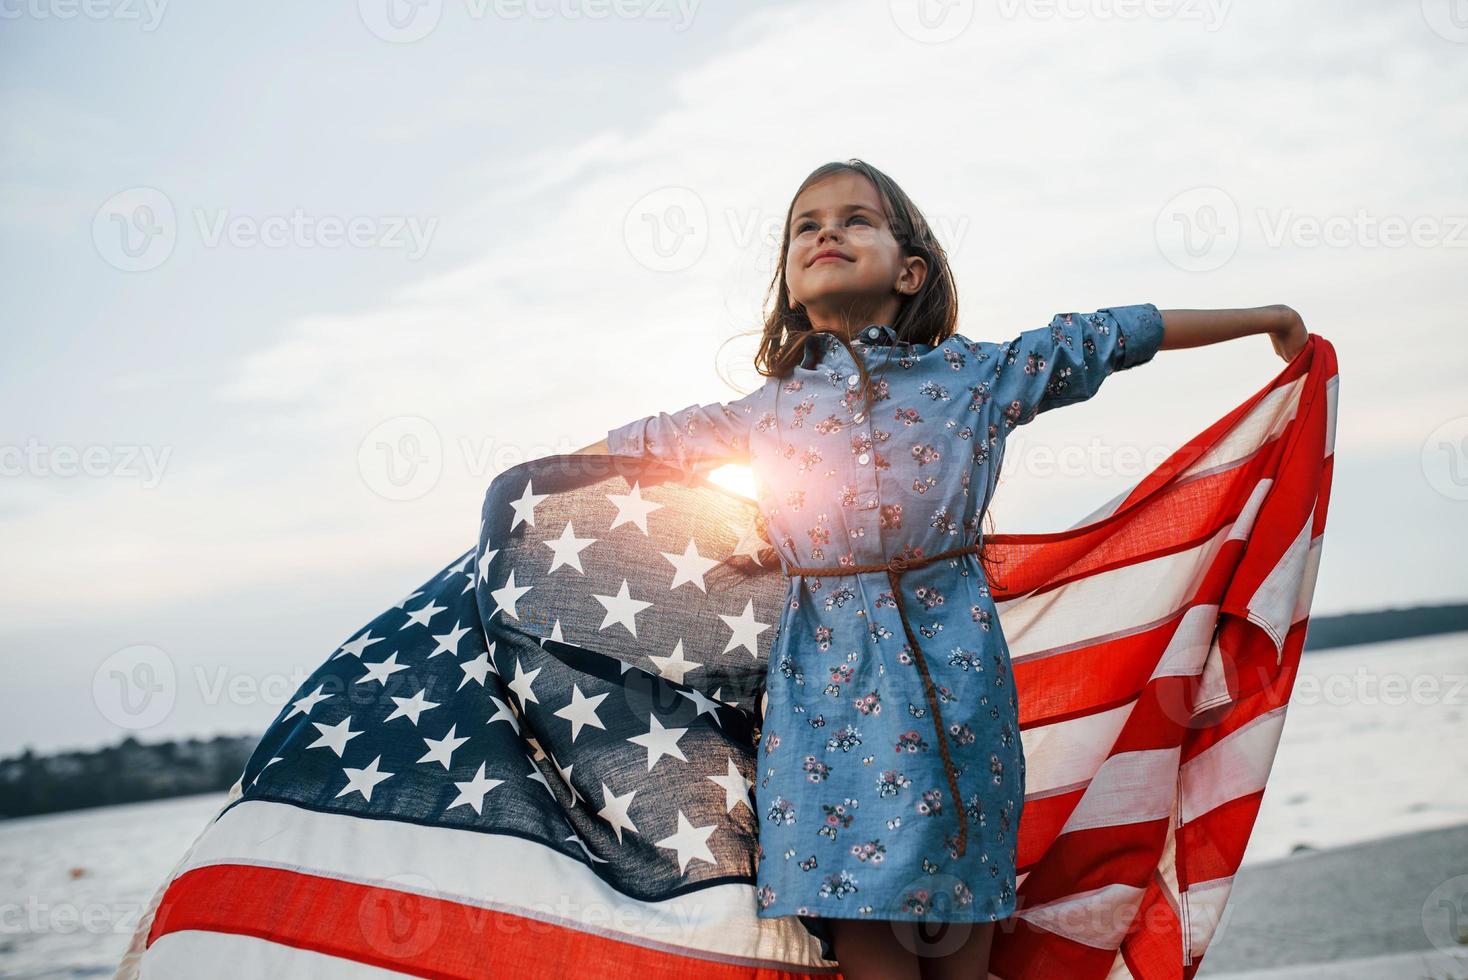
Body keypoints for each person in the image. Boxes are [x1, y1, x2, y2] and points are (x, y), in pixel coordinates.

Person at [576, 159, 1308, 980]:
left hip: (955, 692)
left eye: (856, 220)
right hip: (822, 698)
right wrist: (520, 489)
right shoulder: (767, 410)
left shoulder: (973, 376)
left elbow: (1109, 334)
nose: (826, 233)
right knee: (862, 921)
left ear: (910, 270)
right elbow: (632, 449)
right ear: (788, 285)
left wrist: (1264, 318)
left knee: (960, 928)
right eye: (805, 226)